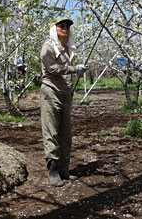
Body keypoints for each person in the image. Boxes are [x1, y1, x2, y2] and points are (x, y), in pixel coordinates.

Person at [40, 16, 86, 187]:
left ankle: (64, 171)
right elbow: (52, 68)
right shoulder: (48, 47)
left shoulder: (68, 49)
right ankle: (53, 171)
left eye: (67, 26)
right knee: (51, 132)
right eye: (61, 25)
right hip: (51, 92)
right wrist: (74, 69)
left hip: (66, 94)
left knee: (66, 134)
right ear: (54, 28)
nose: (65, 28)